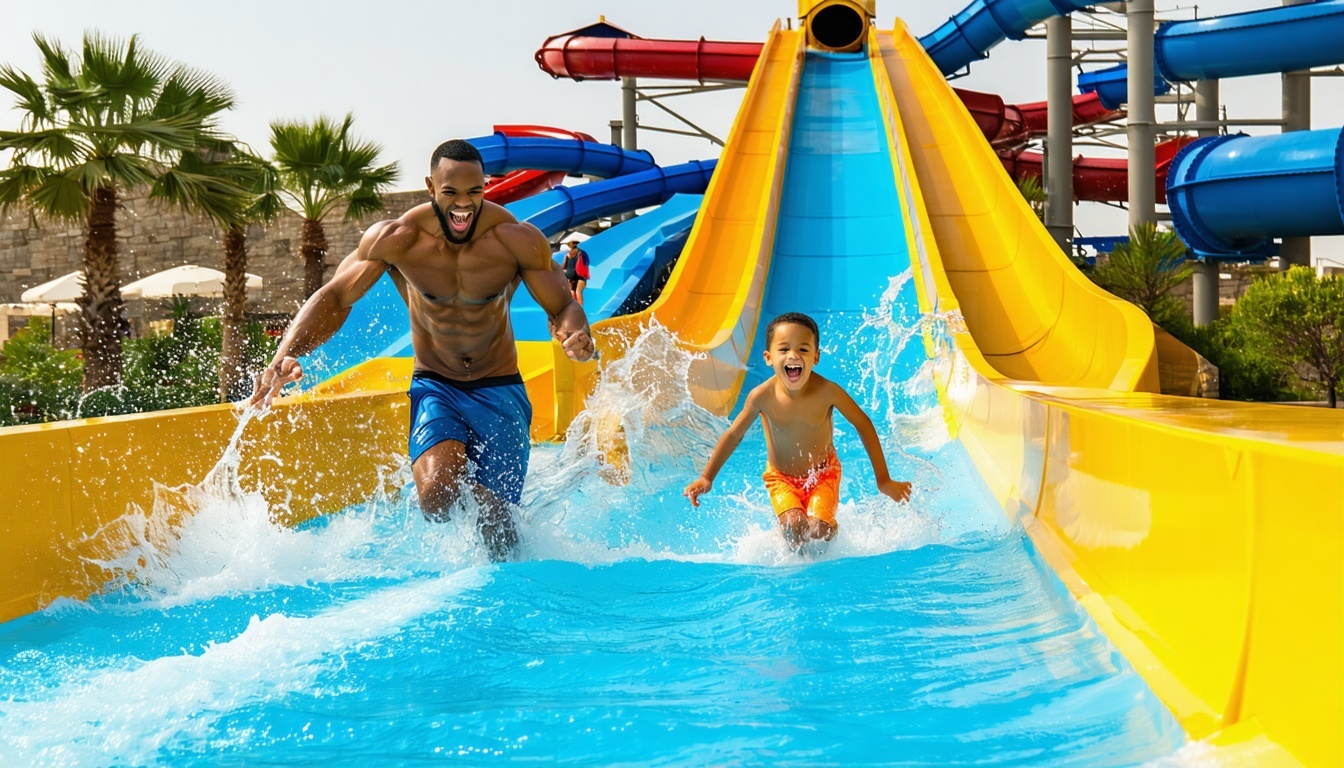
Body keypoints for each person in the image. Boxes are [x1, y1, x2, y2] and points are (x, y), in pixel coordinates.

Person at [250, 139, 596, 559]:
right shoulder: (398, 239)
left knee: (500, 531)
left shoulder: (515, 240)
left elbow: (561, 305)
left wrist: (576, 335)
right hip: (437, 386)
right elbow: (337, 296)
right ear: (431, 186)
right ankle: (468, 481)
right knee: (435, 498)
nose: (463, 206)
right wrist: (285, 354)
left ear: (485, 186)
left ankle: (496, 549)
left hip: (500, 387)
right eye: (451, 193)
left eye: (474, 193)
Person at [683, 312, 911, 549]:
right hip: (781, 477)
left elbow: (863, 424)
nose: (793, 355)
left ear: (815, 357)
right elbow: (734, 434)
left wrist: (883, 480)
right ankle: (791, 521)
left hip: (823, 474)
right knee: (794, 528)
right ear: (768, 357)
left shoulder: (828, 392)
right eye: (783, 349)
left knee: (819, 531)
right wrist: (706, 477)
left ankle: (830, 527)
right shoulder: (761, 396)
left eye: (803, 349)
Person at [561, 239, 590, 305]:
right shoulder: (582, 253)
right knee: (578, 291)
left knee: (572, 291)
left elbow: (563, 266)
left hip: (570, 274)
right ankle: (580, 308)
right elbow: (586, 263)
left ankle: (574, 307)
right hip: (579, 274)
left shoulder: (567, 254)